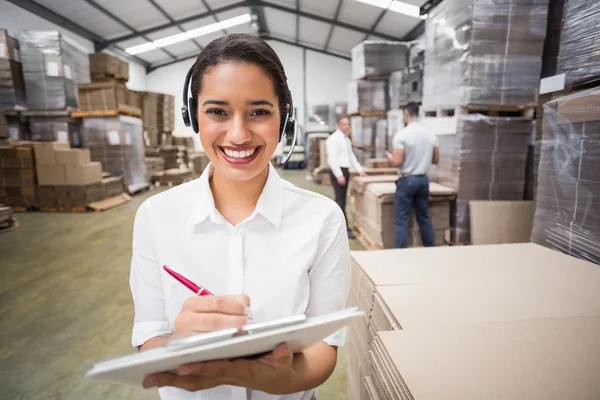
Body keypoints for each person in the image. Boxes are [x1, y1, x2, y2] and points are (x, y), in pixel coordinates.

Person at [130, 34, 351, 400]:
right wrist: (174, 347)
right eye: (217, 111)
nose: (238, 134)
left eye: (259, 112)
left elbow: (323, 345)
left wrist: (283, 379)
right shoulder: (156, 217)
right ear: (193, 117)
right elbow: (150, 335)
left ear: (285, 120)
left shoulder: (322, 219)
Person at [385, 102, 439, 248]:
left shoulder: (402, 135)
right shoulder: (430, 134)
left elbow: (397, 162)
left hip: (407, 180)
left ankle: (401, 253)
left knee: (402, 220)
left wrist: (390, 158)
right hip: (423, 180)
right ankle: (430, 248)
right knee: (424, 217)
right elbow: (435, 159)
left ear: (406, 114)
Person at [325, 115, 367, 239]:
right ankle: (342, 229)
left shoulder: (346, 139)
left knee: (343, 200)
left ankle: (342, 227)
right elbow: (331, 159)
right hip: (339, 172)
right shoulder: (333, 139)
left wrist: (360, 170)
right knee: (340, 201)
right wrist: (339, 175)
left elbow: (351, 156)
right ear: (339, 125)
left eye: (348, 124)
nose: (347, 126)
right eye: (345, 124)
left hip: (345, 171)